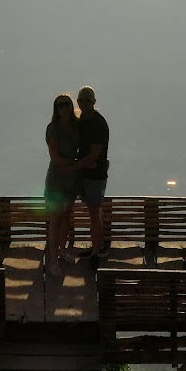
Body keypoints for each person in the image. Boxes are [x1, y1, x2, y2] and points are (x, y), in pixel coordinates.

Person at [43, 92, 82, 277]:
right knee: (55, 218)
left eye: (67, 104)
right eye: (60, 105)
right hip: (57, 178)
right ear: (56, 109)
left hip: (71, 178)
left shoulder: (77, 126)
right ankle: (52, 260)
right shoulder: (53, 129)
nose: (64, 108)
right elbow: (55, 159)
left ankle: (62, 251)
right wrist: (77, 162)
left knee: (67, 216)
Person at [75, 85, 111, 265]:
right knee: (95, 210)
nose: (83, 103)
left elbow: (94, 156)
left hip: (95, 175)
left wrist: (71, 166)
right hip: (87, 173)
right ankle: (100, 245)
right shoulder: (82, 119)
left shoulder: (98, 123)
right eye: (80, 100)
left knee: (94, 211)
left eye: (87, 100)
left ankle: (96, 253)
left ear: (94, 102)